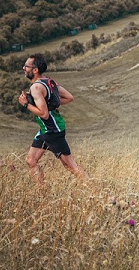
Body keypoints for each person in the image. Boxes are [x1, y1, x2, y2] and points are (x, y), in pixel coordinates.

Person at [18, 53, 89, 186]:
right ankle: (43, 193)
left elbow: (43, 114)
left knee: (70, 166)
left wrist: (26, 104)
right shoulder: (49, 82)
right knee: (31, 160)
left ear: (35, 70)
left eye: (26, 66)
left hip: (52, 131)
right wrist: (48, 103)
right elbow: (69, 97)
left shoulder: (36, 88)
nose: (23, 68)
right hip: (45, 130)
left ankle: (96, 189)